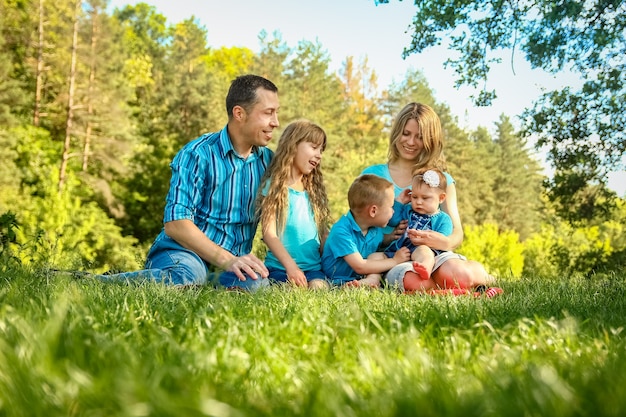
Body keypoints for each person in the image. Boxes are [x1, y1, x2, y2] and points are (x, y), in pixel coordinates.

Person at [96, 74, 279, 291]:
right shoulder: (197, 154)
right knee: (187, 277)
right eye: (268, 113)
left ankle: (203, 287)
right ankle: (96, 283)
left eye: (276, 113)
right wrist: (227, 259)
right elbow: (176, 225)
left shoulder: (269, 162)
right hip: (184, 253)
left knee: (256, 286)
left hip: (232, 263)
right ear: (239, 113)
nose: (275, 122)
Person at [361, 102, 501, 295]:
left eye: (419, 137)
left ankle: (477, 279)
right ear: (396, 133)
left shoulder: (442, 181)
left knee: (460, 274)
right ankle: (458, 292)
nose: (411, 142)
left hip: (437, 254)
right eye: (406, 133)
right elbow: (358, 229)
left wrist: (441, 242)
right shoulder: (372, 176)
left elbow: (457, 233)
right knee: (416, 282)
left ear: (430, 140)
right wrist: (388, 238)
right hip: (395, 256)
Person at [256, 120, 332, 290]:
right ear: (293, 145)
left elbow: (322, 235)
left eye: (321, 150)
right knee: (292, 290)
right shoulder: (274, 187)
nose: (319, 154)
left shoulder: (314, 191)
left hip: (313, 269)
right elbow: (269, 235)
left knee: (320, 288)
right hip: (280, 268)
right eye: (314, 147)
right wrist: (292, 267)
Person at [321, 174, 411, 288]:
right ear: (373, 211)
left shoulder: (374, 227)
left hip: (360, 277)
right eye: (391, 207)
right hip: (338, 280)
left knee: (378, 257)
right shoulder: (341, 232)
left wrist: (391, 237)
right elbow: (360, 266)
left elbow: (379, 240)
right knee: (379, 261)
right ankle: (364, 283)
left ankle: (370, 281)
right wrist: (395, 261)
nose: (393, 212)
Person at [386, 167, 453, 287]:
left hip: (420, 251)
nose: (418, 202)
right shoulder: (407, 209)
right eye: (414, 197)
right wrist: (400, 202)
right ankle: (370, 279)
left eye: (425, 198)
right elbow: (392, 220)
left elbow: (441, 240)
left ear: (441, 198)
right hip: (398, 251)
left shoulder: (443, 219)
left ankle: (425, 266)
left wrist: (426, 240)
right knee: (375, 256)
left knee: (424, 251)